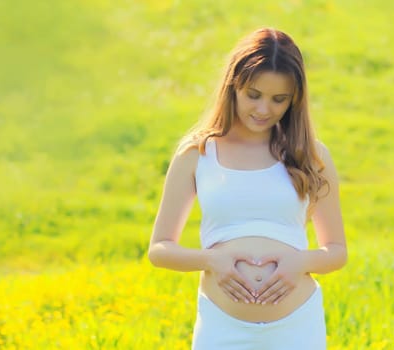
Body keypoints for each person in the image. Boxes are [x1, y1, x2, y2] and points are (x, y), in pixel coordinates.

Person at [147, 27, 347, 350]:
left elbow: (336, 251)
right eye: (253, 95)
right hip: (221, 327)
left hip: (296, 327)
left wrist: (300, 263)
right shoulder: (197, 153)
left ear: (294, 100)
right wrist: (212, 260)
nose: (263, 109)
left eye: (278, 99)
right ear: (233, 86)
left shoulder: (310, 154)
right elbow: (159, 249)